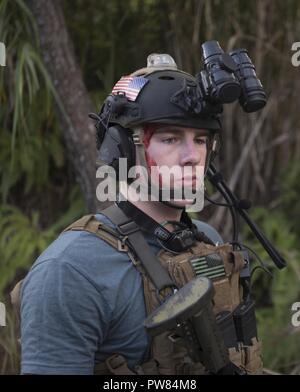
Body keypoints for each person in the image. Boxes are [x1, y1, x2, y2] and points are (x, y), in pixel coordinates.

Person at [19, 53, 262, 375]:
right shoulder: (70, 270)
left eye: (201, 140)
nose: (193, 157)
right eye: (170, 138)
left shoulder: (207, 239)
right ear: (121, 149)